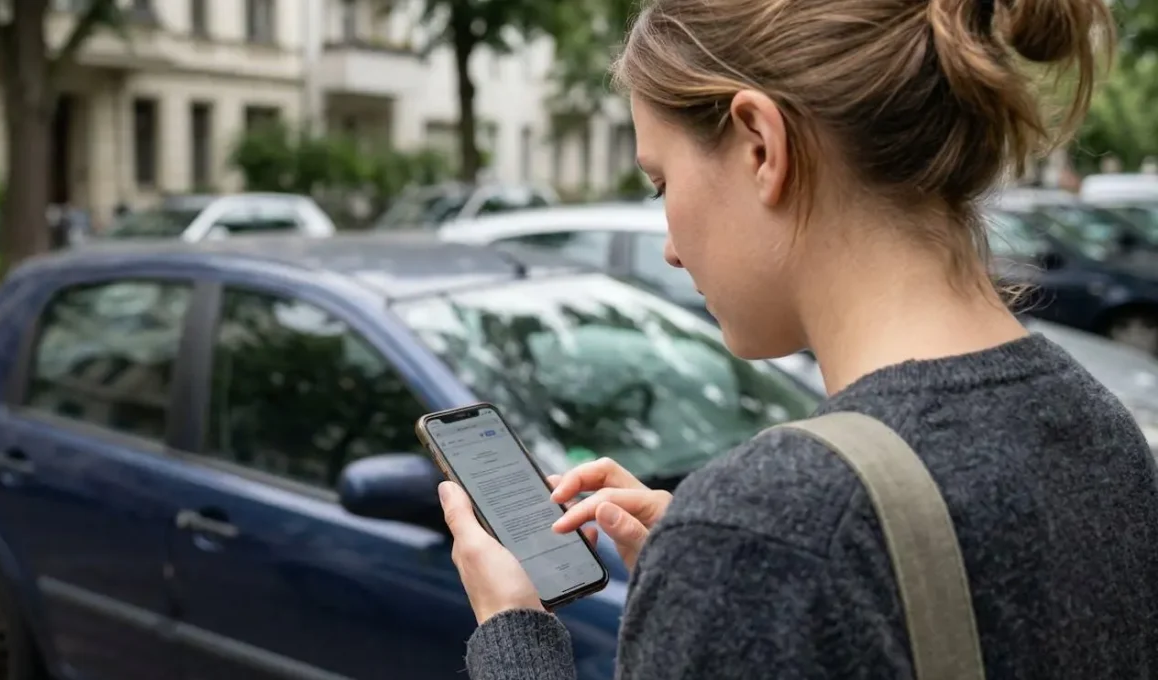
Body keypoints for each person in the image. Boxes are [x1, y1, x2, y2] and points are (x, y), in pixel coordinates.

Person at [438, 0, 1158, 678]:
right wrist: (705, 579)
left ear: (761, 146)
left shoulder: (771, 529)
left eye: (661, 185)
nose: (671, 250)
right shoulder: (1101, 427)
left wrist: (513, 631)